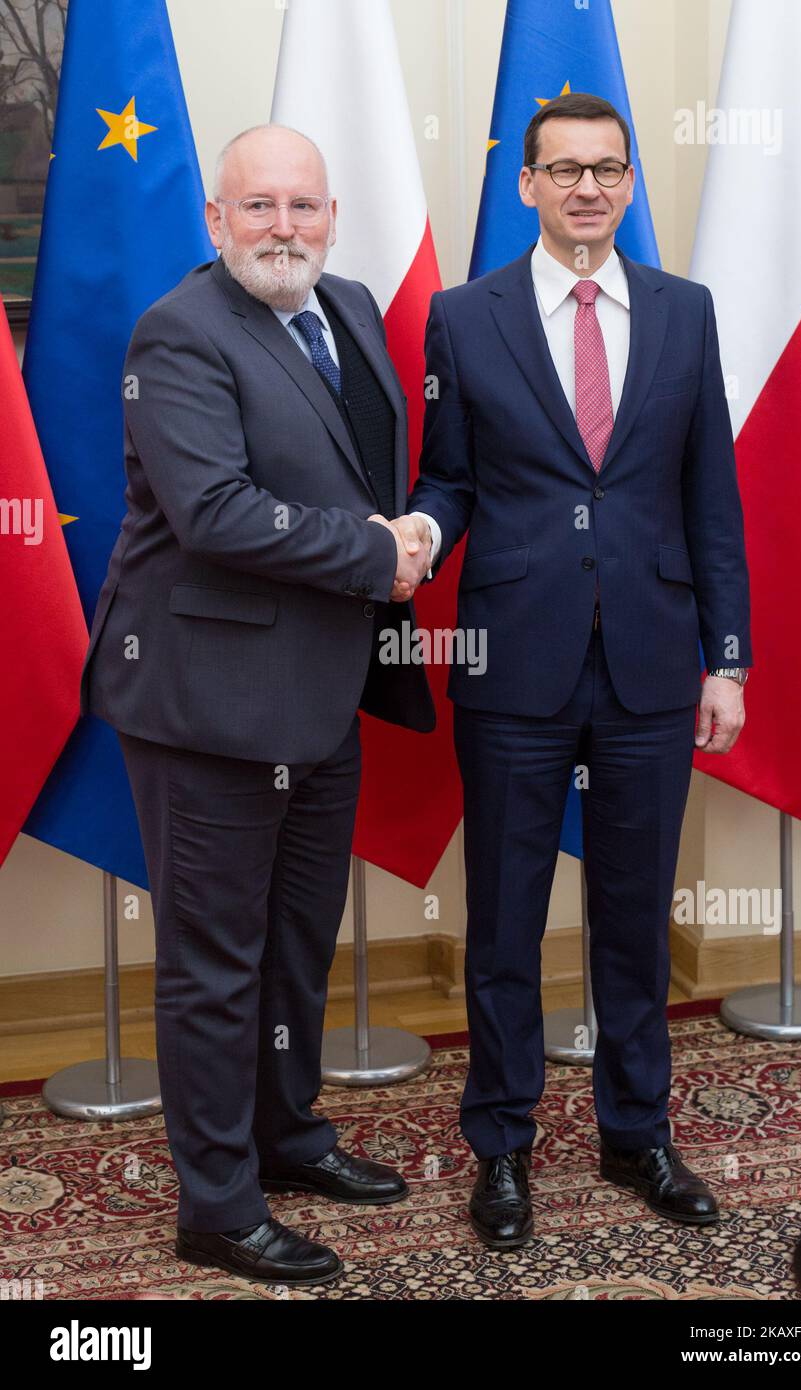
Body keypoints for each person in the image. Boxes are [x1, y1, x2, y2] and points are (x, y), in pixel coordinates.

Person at [80, 124, 434, 1286]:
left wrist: (411, 530)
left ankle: (286, 1138)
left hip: (319, 693)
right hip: (207, 703)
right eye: (258, 207)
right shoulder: (179, 332)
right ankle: (217, 1205)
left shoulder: (350, 304)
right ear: (217, 221)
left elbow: (364, 471)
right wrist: (375, 552)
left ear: (330, 216)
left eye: (302, 206)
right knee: (214, 960)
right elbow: (218, 513)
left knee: (293, 944)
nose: (283, 227)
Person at [398, 92, 751, 1248]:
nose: (587, 187)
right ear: (527, 185)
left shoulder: (686, 314)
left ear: (631, 180)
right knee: (503, 923)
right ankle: (499, 1147)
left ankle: (634, 1132)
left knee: (634, 919)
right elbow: (448, 476)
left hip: (652, 664)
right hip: (514, 666)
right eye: (564, 170)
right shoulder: (463, 316)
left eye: (608, 168)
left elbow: (711, 501)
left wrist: (727, 660)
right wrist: (419, 533)